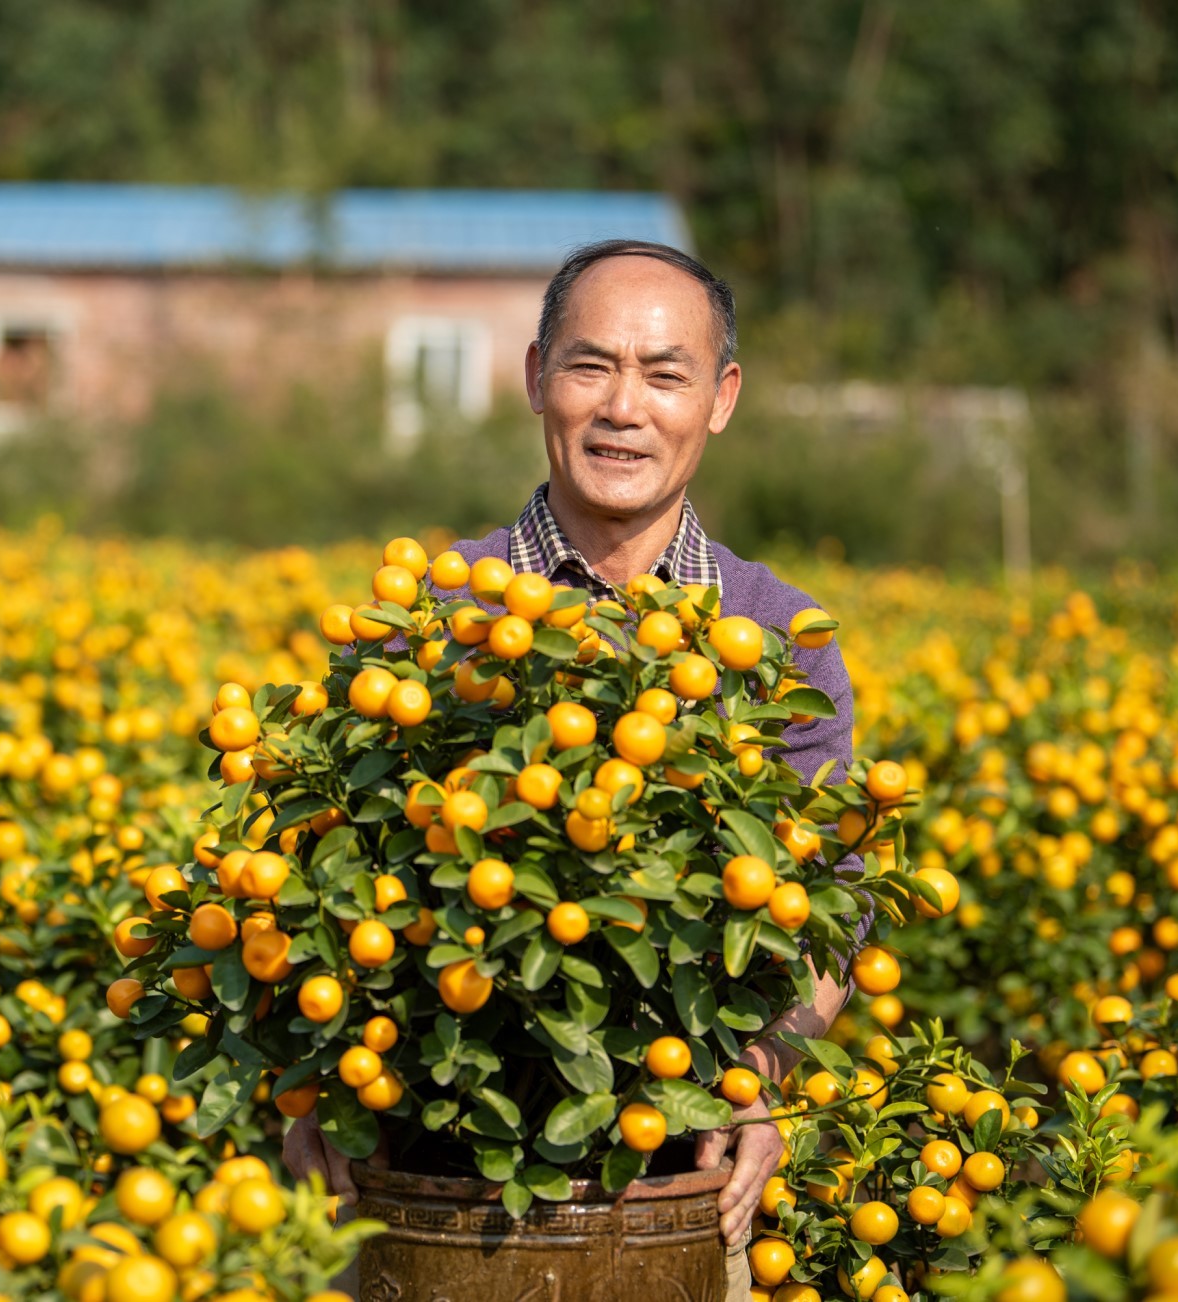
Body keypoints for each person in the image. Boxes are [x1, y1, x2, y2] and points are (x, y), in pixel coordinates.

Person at [282, 240, 861, 1292]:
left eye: (666, 373)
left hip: (676, 1184)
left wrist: (767, 1070)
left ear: (720, 398)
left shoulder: (781, 637)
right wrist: (309, 1092)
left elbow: (835, 898)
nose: (623, 407)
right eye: (591, 366)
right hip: (421, 1189)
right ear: (535, 376)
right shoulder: (431, 616)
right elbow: (312, 884)